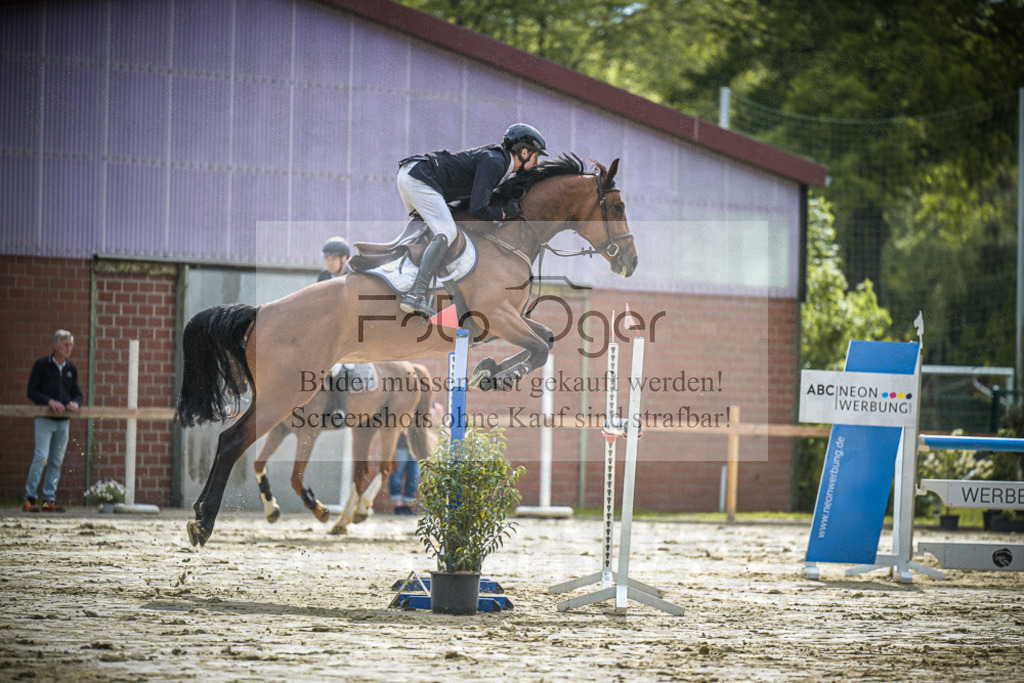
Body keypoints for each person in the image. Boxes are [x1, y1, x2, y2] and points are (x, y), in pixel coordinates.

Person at [396, 122, 548, 317]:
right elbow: (478, 208)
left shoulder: (498, 161)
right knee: (447, 232)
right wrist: (503, 214)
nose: (536, 163)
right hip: (419, 177)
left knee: (438, 235)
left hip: (414, 174)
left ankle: (418, 288)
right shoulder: (496, 163)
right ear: (524, 152)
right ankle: (416, 294)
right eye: (536, 156)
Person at [23, 330, 83, 513]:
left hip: (63, 422)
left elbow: (78, 394)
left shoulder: (71, 369)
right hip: (45, 420)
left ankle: (49, 500)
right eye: (65, 344)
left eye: (71, 345)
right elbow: (31, 392)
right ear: (55, 346)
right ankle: (29, 498)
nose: (69, 348)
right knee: (41, 457)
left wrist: (75, 403)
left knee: (56, 461)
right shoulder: (41, 365)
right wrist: (49, 401)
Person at [389, 433, 419, 515]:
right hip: (400, 444)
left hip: (415, 447)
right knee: (397, 472)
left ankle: (407, 504)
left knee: (414, 474)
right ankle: (398, 505)